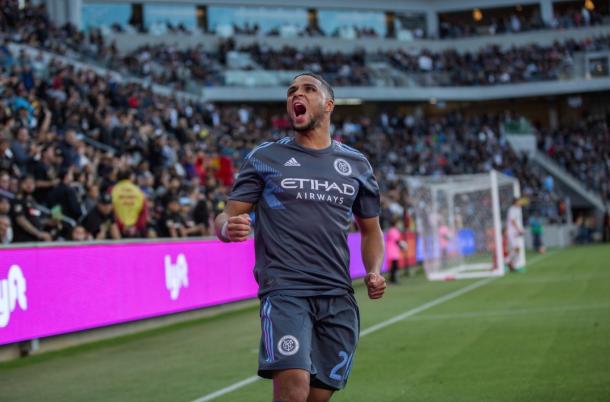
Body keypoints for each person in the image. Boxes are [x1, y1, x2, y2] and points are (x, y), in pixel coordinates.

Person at [214, 72, 386, 402]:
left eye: (309, 89)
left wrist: (374, 269)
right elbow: (228, 213)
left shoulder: (356, 164)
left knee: (316, 398)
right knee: (294, 389)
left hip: (337, 294)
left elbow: (371, 229)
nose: (298, 94)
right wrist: (225, 227)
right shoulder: (265, 157)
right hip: (285, 290)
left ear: (329, 104)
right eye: (292, 90)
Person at [506, 197, 524, 271]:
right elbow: (513, 221)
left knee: (517, 249)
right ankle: (507, 261)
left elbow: (517, 221)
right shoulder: (512, 209)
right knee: (515, 248)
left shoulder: (518, 210)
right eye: (519, 201)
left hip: (515, 232)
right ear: (515, 202)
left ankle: (512, 265)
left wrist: (520, 229)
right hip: (511, 232)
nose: (520, 203)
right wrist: (519, 229)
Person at [386, 216, 405, 284]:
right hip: (393, 250)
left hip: (391, 250)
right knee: (395, 266)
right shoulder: (394, 231)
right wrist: (403, 245)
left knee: (394, 266)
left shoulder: (391, 230)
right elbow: (397, 241)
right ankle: (393, 279)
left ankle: (392, 279)